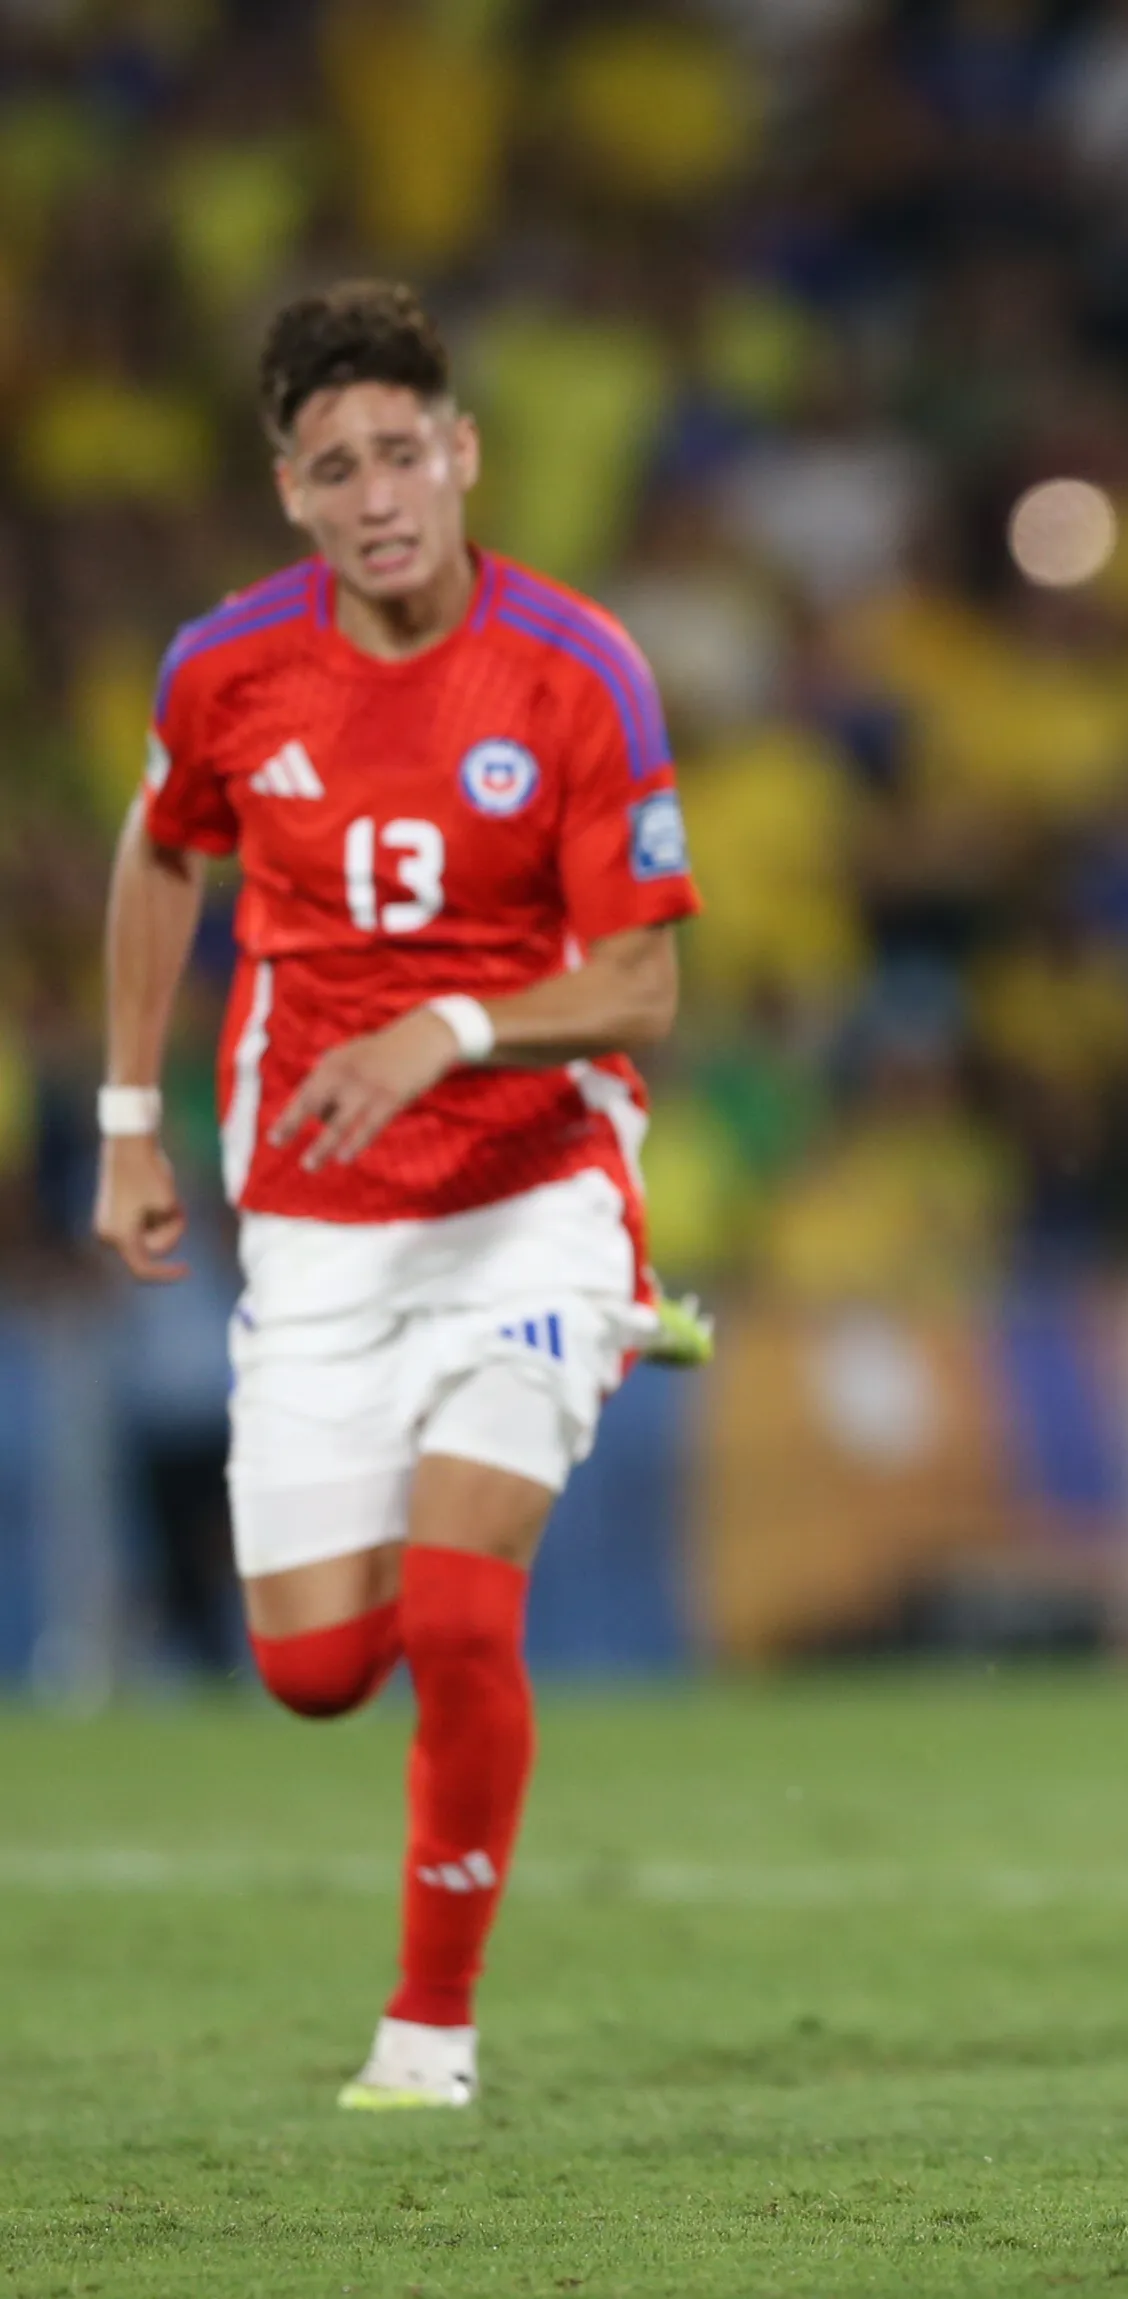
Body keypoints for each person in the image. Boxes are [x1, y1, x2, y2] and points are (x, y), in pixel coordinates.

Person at [90, 281, 704, 2106]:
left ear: (464, 456)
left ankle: (426, 2031)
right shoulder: (224, 670)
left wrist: (446, 1028)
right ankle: (600, 1332)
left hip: (534, 1186)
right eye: (334, 465)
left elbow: (646, 985)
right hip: (319, 1216)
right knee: (314, 1666)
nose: (377, 494)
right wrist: (129, 1114)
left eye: (403, 453)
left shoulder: (578, 667)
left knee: (457, 1607)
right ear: (292, 490)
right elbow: (159, 847)